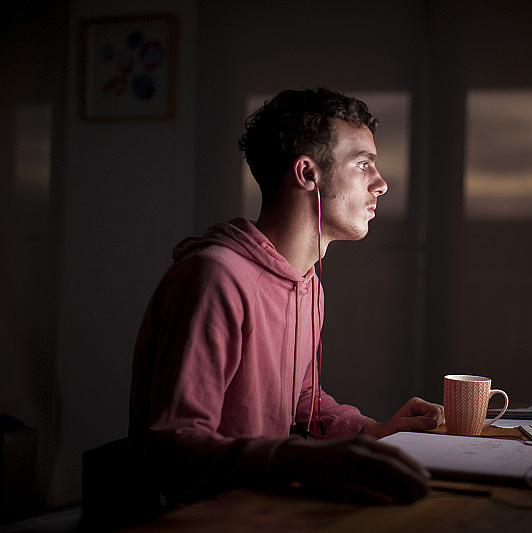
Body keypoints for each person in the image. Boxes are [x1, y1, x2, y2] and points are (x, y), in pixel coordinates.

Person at [128, 87, 444, 509]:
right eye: (364, 164)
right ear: (307, 174)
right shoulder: (216, 277)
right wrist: (300, 459)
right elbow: (171, 446)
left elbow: (302, 398)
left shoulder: (306, 280)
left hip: (262, 506)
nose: (381, 184)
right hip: (200, 518)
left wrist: (374, 431)